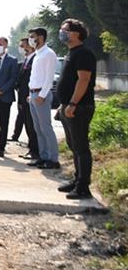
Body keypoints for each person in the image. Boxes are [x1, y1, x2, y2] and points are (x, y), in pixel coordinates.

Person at [55, 18, 97, 199]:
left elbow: (84, 80)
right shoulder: (72, 53)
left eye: (65, 29)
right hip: (68, 107)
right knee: (73, 146)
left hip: (79, 107)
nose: (62, 32)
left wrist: (72, 104)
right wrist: (63, 105)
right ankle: (77, 179)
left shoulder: (84, 53)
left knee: (81, 147)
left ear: (76, 33)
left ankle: (83, 187)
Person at [27, 27, 61, 169]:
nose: (30, 39)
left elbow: (49, 78)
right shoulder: (37, 54)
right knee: (38, 128)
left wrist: (42, 95)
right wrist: (31, 94)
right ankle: (43, 156)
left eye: (32, 36)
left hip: (42, 95)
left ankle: (53, 159)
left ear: (40, 37)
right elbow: (35, 76)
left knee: (46, 127)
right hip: (33, 94)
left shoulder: (49, 54)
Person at [12, 37, 39, 160]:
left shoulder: (35, 59)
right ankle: (32, 149)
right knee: (28, 124)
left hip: (29, 96)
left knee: (31, 125)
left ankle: (35, 151)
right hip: (22, 97)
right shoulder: (26, 60)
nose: (21, 48)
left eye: (23, 46)